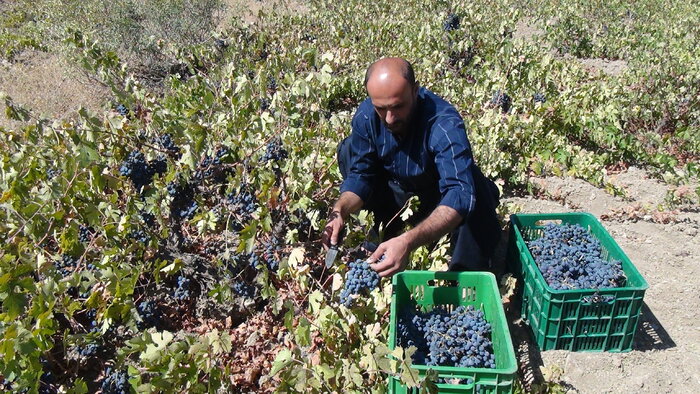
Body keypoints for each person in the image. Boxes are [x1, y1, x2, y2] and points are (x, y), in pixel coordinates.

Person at [322, 57, 501, 277]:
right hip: (395, 189)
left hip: (435, 196)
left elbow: (458, 194)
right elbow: (361, 175)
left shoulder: (443, 124)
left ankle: (462, 276)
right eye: (381, 108)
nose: (389, 118)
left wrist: (409, 241)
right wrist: (339, 211)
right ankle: (384, 230)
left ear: (415, 90)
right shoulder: (366, 115)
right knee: (348, 150)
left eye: (398, 106)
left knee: (471, 188)